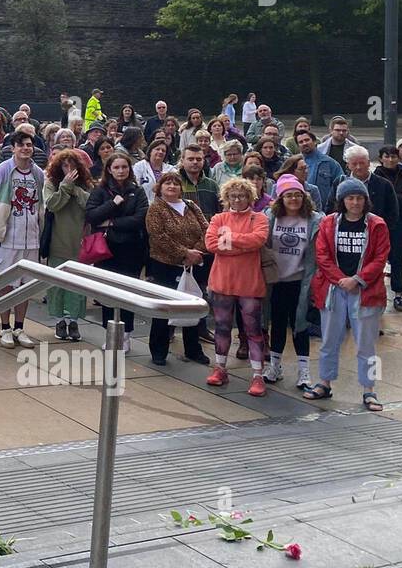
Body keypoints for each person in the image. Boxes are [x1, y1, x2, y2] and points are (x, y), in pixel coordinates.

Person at [304, 178, 389, 411]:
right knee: (329, 340)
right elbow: (322, 255)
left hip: (366, 291)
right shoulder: (329, 223)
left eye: (359, 198)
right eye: (350, 198)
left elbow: (380, 258)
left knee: (367, 344)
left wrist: (357, 279)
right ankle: (324, 382)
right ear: (342, 200)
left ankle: (370, 389)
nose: (355, 202)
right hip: (333, 290)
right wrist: (340, 279)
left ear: (365, 200)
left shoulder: (377, 224)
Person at [203, 178, 270, 394]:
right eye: (233, 196)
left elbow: (258, 240)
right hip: (222, 282)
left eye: (242, 196)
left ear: (250, 197)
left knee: (253, 329)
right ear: (226, 198)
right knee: (222, 327)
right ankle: (220, 367)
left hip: (249, 282)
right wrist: (243, 245)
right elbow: (212, 244)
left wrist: (229, 239)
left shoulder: (259, 218)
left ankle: (258, 375)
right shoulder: (218, 218)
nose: (238, 200)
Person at [0, 130, 46, 348]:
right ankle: (4, 327)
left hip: (31, 240)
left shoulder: (38, 173)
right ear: (13, 147)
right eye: (21, 145)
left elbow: (41, 202)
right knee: (6, 284)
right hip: (7, 238)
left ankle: (20, 326)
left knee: (25, 285)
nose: (25, 148)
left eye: (29, 145)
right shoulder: (2, 171)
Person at [84, 151, 149, 351]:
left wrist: (112, 222)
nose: (121, 171)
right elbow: (92, 216)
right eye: (116, 167)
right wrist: (113, 204)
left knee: (128, 293)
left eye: (124, 167)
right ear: (109, 170)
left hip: (131, 249)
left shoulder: (137, 191)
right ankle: (110, 334)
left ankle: (126, 334)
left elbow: (140, 218)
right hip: (106, 250)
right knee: (108, 293)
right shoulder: (100, 190)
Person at [262, 174, 322, 389]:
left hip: (301, 281)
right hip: (276, 281)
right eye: (289, 195)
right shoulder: (270, 217)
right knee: (277, 323)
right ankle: (275, 366)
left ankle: (304, 371)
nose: (294, 199)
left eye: (297, 195)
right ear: (281, 198)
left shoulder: (315, 219)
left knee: (300, 326)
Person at [144, 171, 211, 365]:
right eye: (167, 184)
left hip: (193, 265)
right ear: (160, 187)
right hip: (165, 265)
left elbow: (207, 229)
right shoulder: (156, 209)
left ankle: (193, 349)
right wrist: (184, 253)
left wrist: (195, 253)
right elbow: (158, 236)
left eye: (175, 183)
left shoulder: (191, 206)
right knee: (165, 309)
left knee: (192, 307)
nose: (172, 187)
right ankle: (158, 350)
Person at [43, 149, 92, 342]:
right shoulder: (51, 184)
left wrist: (74, 188)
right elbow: (52, 205)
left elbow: (90, 204)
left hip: (79, 240)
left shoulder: (86, 184)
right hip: (57, 239)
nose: (69, 168)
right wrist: (64, 187)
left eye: (72, 165)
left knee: (77, 284)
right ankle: (59, 320)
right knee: (56, 283)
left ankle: (73, 321)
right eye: (64, 165)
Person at [373, 145, 402, 312]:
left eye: (393, 156)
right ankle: (375, 296)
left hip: (400, 224)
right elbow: (376, 201)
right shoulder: (375, 177)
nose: (390, 160)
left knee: (398, 260)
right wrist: (399, 196)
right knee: (376, 261)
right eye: (387, 156)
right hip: (379, 224)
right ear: (381, 158)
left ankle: (398, 294)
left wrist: (391, 197)